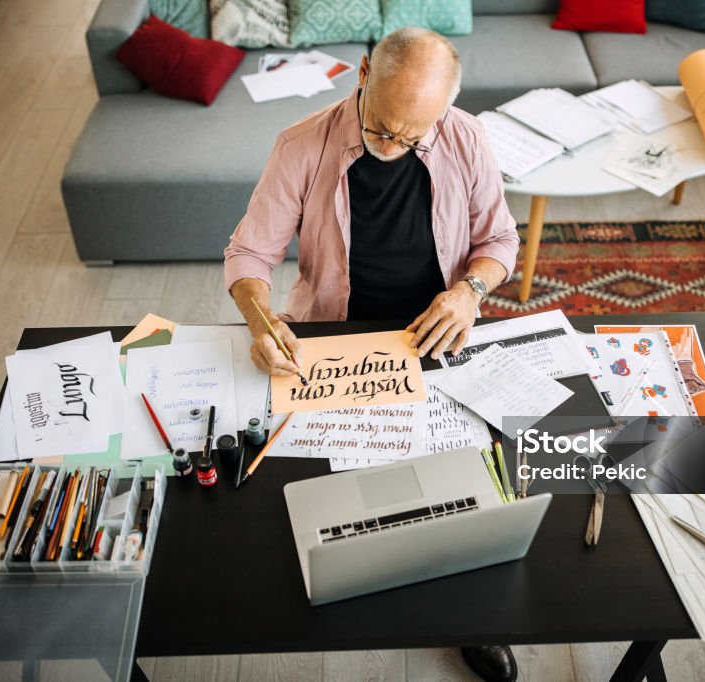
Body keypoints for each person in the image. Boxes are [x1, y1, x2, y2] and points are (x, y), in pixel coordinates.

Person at [223, 28, 520, 682]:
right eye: (383, 128)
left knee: (472, 492)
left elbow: (499, 239)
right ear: (360, 72)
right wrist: (259, 313)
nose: (395, 148)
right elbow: (249, 253)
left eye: (416, 135)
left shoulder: (465, 136)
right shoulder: (302, 144)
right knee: (330, 489)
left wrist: (470, 292)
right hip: (335, 336)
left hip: (435, 336)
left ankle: (473, 615)